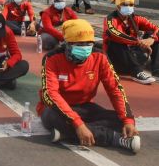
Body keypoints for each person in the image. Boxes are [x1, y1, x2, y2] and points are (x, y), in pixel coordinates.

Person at [38, 19, 141, 153]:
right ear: (67, 43)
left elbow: (115, 89)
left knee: (120, 119)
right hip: (56, 109)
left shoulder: (100, 57)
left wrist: (128, 120)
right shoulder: (52, 59)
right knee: (52, 117)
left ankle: (67, 134)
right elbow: (50, 95)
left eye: (88, 43)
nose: (85, 47)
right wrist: (78, 124)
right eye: (80, 44)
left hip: (84, 106)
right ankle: (113, 138)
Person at [103, 0, 159, 84]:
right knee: (114, 41)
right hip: (117, 58)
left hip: (135, 54)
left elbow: (156, 28)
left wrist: (152, 39)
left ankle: (157, 71)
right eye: (124, 4)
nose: (128, 7)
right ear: (117, 6)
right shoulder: (110, 19)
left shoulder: (136, 18)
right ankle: (136, 73)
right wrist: (139, 42)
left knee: (152, 34)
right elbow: (115, 34)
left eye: (131, 5)